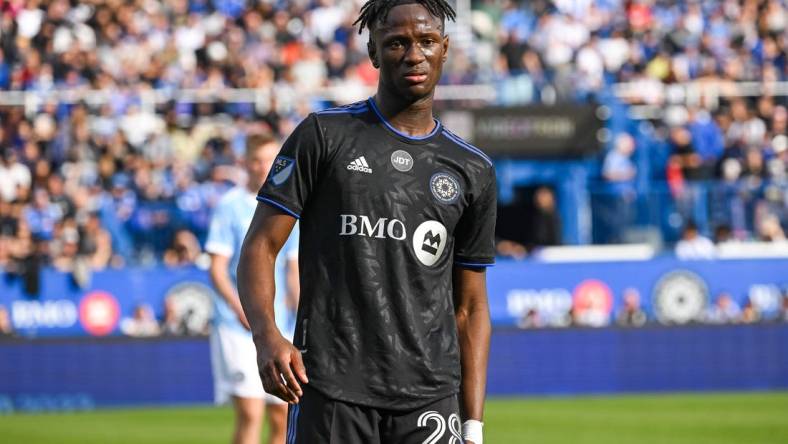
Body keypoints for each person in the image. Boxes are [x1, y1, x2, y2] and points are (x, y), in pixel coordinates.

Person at [237, 1, 496, 443]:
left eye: (427, 41)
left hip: (430, 401)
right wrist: (266, 336)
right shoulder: (323, 135)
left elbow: (469, 307)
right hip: (331, 389)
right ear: (374, 52)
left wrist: (472, 426)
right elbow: (260, 246)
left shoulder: (471, 169)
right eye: (397, 42)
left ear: (445, 49)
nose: (414, 54)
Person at [206, 133, 300, 444]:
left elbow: (292, 268)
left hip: (280, 325)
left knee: (283, 416)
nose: (265, 167)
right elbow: (218, 268)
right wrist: (239, 308)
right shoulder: (230, 205)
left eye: (271, 160)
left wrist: (299, 311)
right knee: (251, 414)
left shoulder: (288, 204)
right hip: (236, 327)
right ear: (246, 163)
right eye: (258, 160)